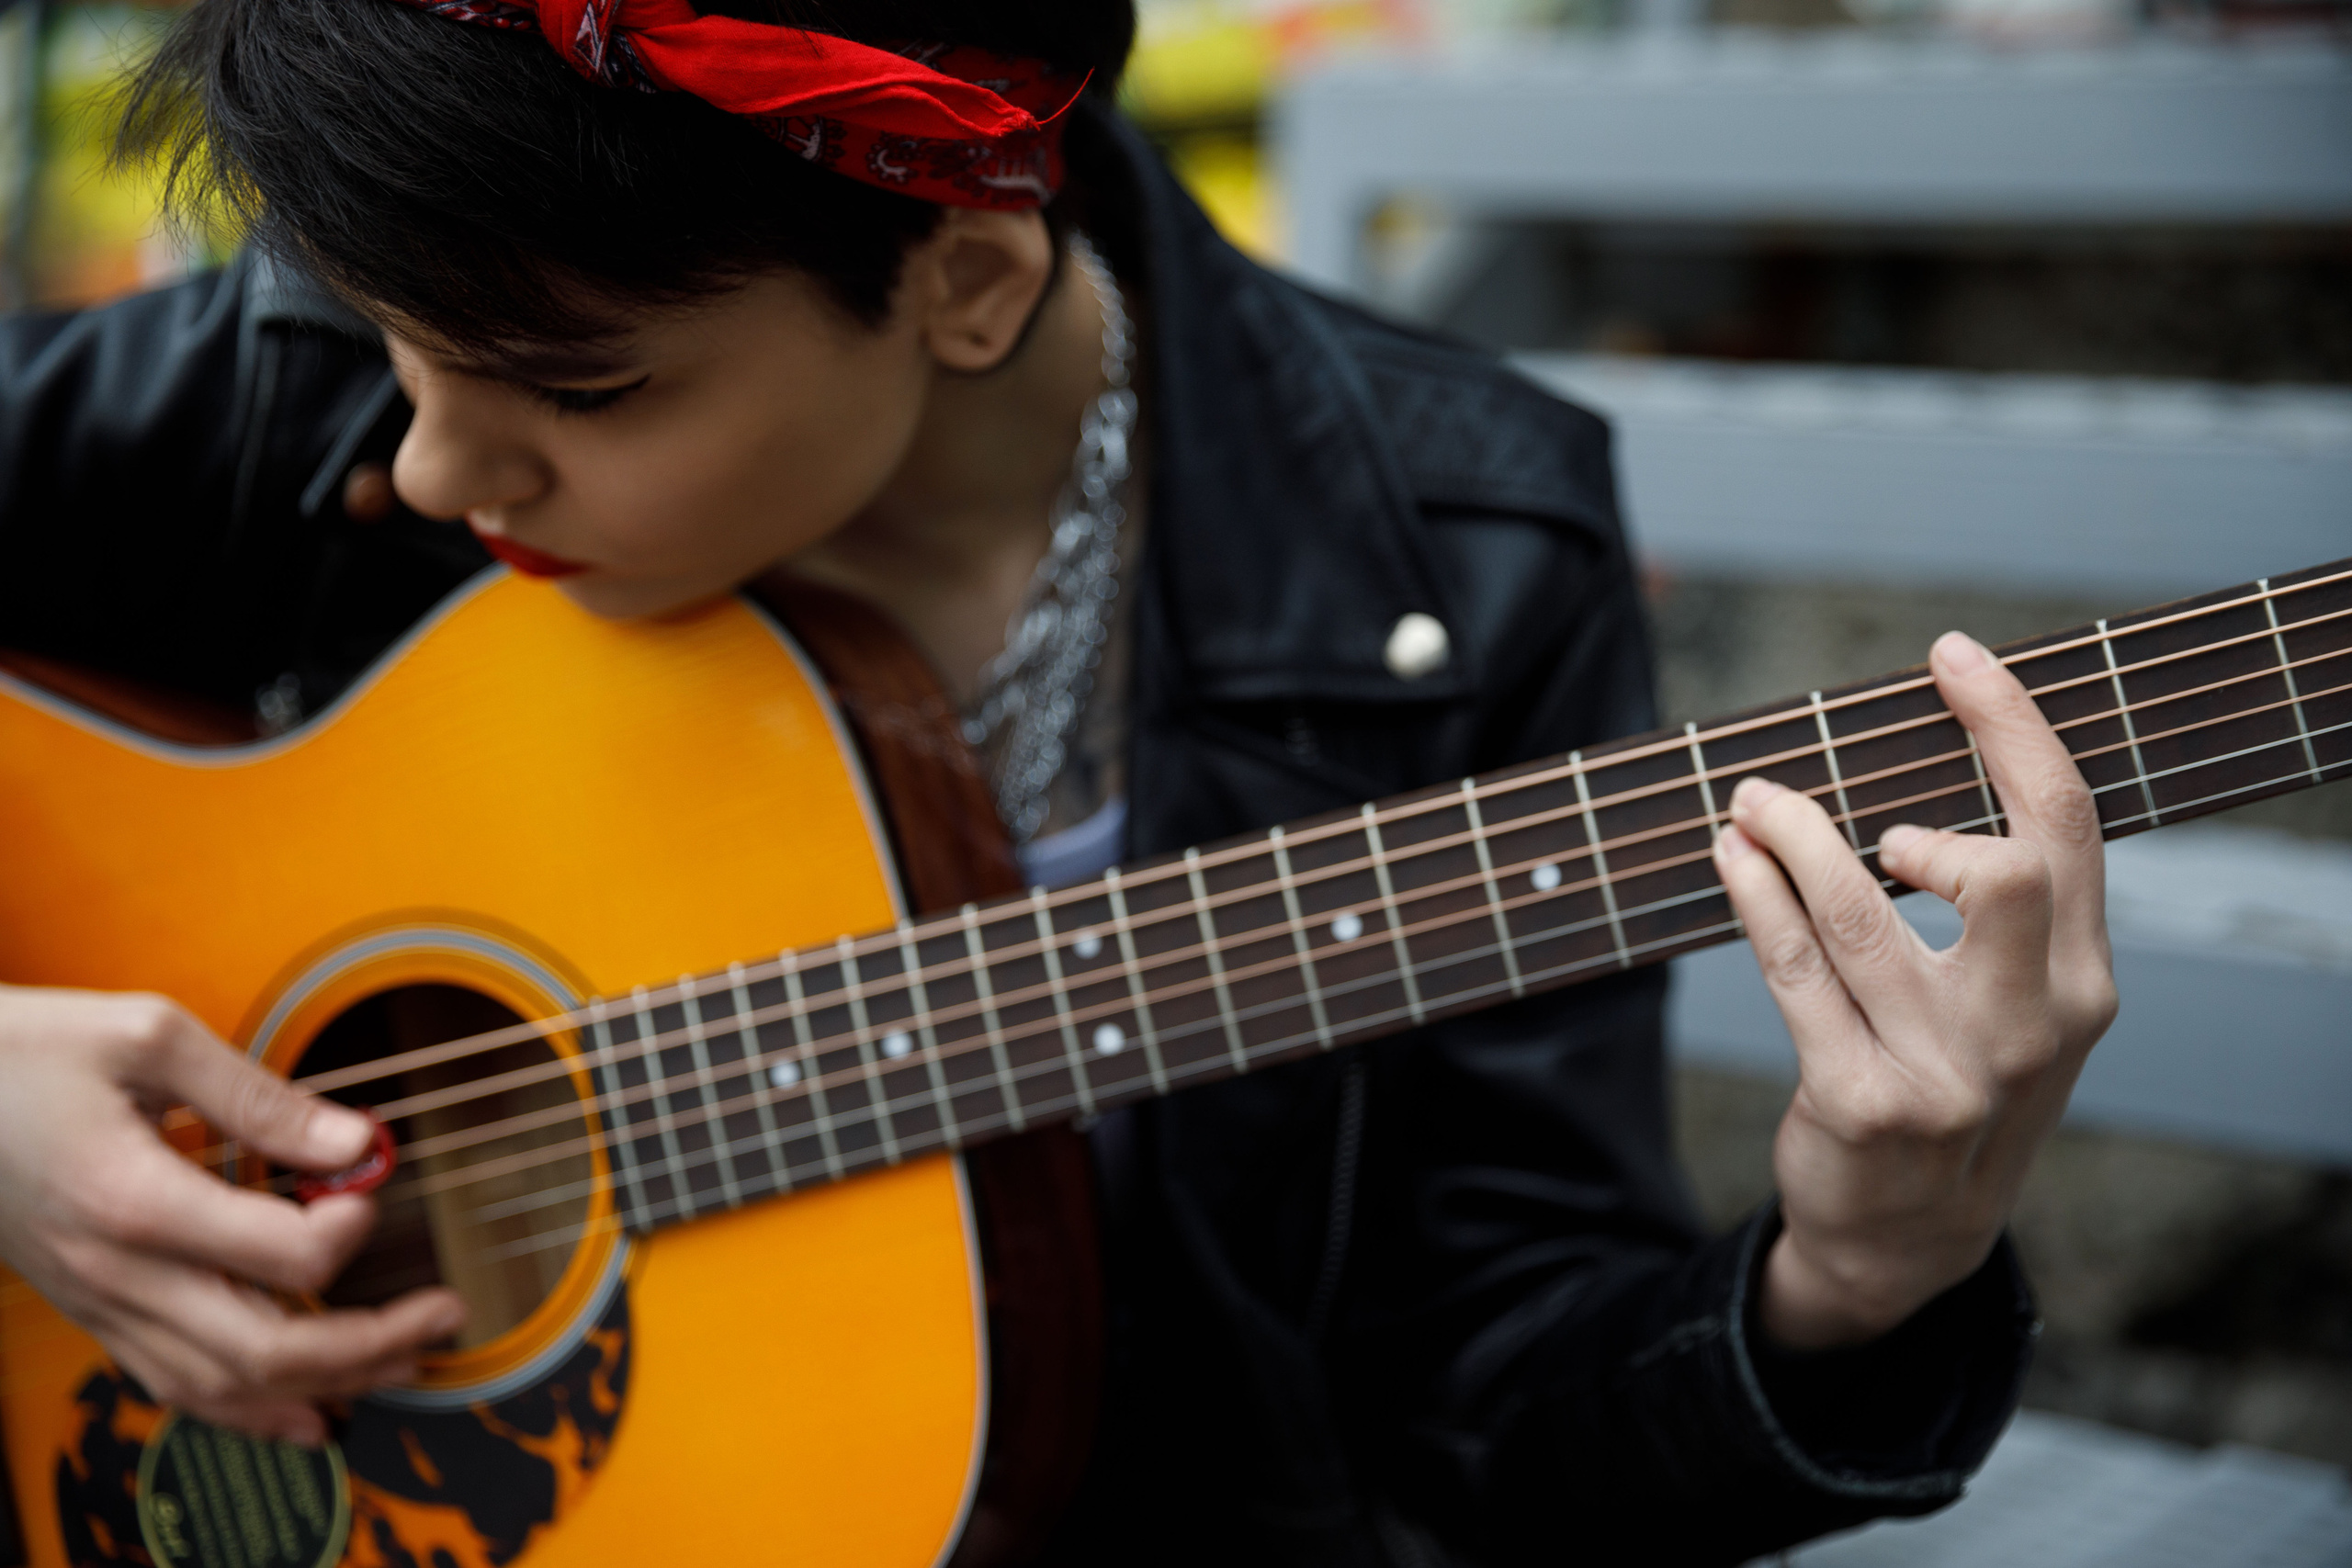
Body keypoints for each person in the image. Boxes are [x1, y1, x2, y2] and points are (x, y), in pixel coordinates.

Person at [0, 1, 2118, 1562]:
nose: (436, 463)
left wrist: (1845, 1284)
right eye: (391, 348)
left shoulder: (1455, 549)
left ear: (969, 283)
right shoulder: (353, 335)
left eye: (576, 391)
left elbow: (1477, 1411)